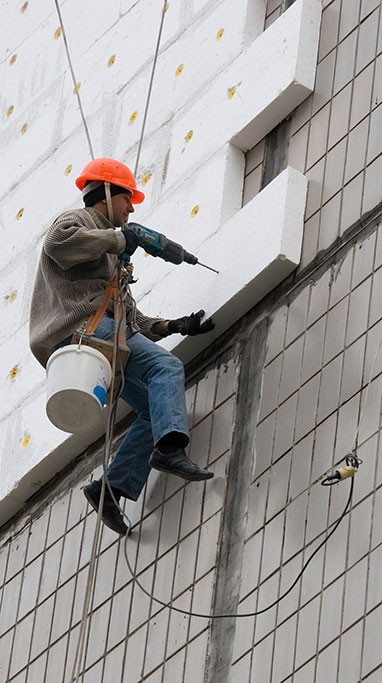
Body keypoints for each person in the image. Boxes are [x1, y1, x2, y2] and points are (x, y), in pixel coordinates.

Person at [29, 157, 214, 535]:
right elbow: (58, 244)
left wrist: (172, 325)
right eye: (128, 199)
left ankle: (110, 489)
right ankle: (170, 449)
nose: (131, 209)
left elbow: (127, 317)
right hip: (81, 331)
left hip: (101, 341)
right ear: (108, 193)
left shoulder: (113, 256)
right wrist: (121, 238)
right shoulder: (77, 222)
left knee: (152, 410)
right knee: (166, 369)